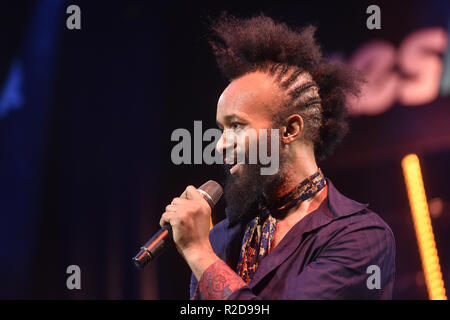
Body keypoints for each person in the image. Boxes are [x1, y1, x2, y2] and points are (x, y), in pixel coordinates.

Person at [159, 13, 395, 300]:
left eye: (236, 126)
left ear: (290, 129)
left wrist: (197, 251)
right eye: (221, 129)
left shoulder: (358, 235)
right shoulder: (222, 238)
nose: (220, 145)